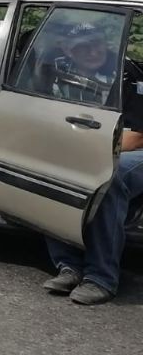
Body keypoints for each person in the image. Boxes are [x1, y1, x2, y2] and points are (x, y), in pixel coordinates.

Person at [43, 22, 143, 305]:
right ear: (66, 50)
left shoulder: (128, 75)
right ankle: (69, 266)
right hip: (93, 148)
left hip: (130, 151)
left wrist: (87, 152)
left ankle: (101, 278)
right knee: (48, 169)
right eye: (82, 46)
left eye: (97, 43)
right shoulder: (53, 72)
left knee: (108, 177)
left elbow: (137, 137)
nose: (92, 51)